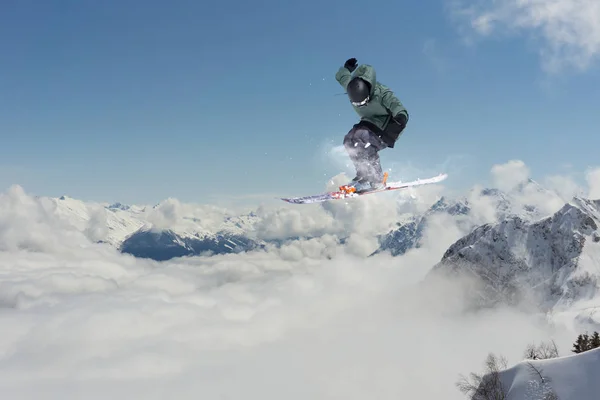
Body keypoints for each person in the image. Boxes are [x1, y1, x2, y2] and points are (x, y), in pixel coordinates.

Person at [335, 58, 409, 192]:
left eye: (364, 102)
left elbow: (398, 107)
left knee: (362, 141)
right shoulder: (351, 86)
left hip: (388, 127)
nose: (361, 105)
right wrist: (346, 69)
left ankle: (376, 179)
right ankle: (363, 175)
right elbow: (342, 77)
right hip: (369, 122)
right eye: (357, 104)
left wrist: (401, 117)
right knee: (349, 140)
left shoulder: (382, 93)